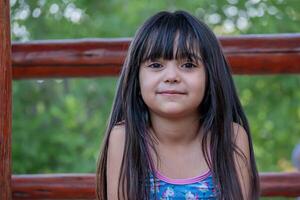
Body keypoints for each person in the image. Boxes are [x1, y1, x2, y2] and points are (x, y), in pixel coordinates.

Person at [96, 10, 260, 200]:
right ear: (136, 78)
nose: (172, 76)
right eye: (156, 65)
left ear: (211, 76)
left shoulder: (230, 136)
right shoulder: (124, 139)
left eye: (188, 65)